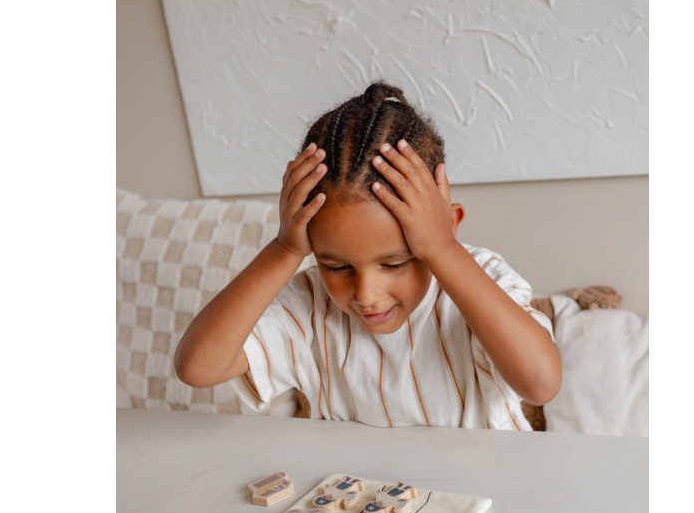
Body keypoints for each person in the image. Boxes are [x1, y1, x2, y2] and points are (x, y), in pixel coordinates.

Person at [175, 82, 561, 429]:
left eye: (393, 263)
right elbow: (197, 368)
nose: (366, 293)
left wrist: (443, 249)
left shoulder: (483, 276)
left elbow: (541, 384)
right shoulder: (309, 303)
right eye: (336, 266)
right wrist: (284, 250)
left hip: (480, 482)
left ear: (448, 225)